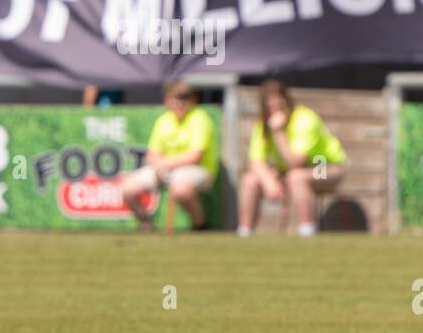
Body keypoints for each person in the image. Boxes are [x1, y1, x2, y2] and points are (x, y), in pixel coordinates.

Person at [237, 80, 347, 238]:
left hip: (325, 166)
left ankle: (307, 230)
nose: (275, 110)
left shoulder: (305, 119)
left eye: (278, 104)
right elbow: (254, 160)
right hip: (288, 170)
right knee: (250, 180)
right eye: (270, 106)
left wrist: (279, 133)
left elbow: (296, 162)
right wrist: (269, 182)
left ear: (287, 101)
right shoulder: (262, 124)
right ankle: (244, 233)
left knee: (297, 177)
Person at [121, 81, 216, 232]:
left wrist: (164, 165)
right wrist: (160, 166)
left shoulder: (200, 118)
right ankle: (146, 224)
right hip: (165, 169)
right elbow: (151, 155)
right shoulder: (164, 120)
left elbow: (195, 157)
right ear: (168, 100)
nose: (180, 103)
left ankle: (200, 225)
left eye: (184, 98)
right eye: (176, 98)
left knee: (180, 187)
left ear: (193, 100)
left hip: (197, 170)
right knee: (127, 188)